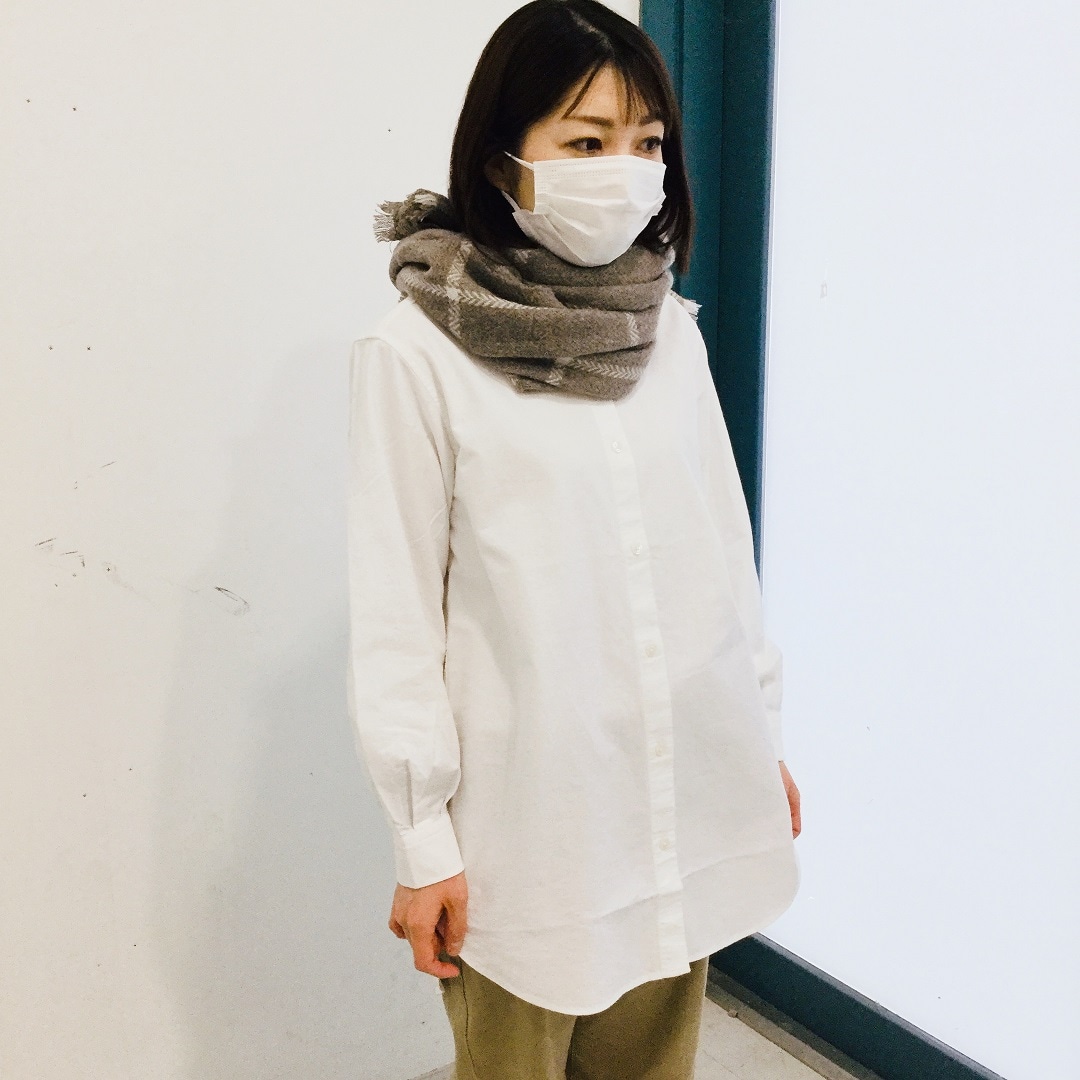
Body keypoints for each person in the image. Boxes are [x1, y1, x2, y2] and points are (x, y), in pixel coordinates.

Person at [347, 2, 803, 1076]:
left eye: (647, 143)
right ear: (503, 159)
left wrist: (756, 734)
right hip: (532, 825)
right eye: (587, 142)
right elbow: (397, 618)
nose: (627, 171)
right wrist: (422, 843)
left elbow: (720, 556)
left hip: (675, 787)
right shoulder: (415, 355)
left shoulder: (668, 329)